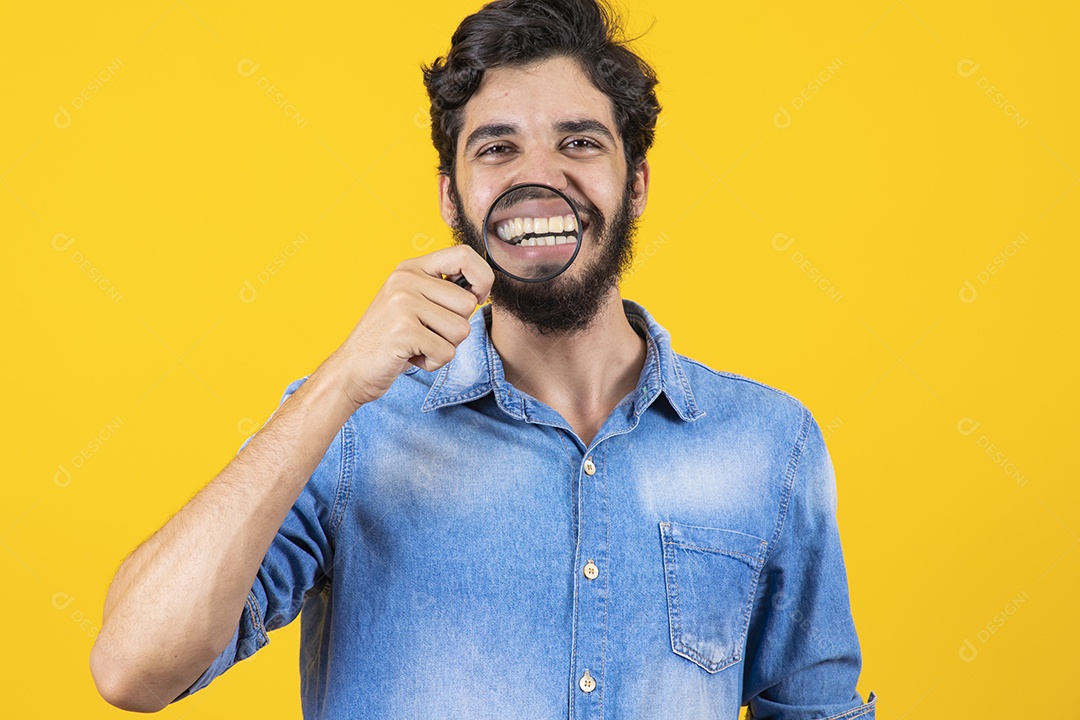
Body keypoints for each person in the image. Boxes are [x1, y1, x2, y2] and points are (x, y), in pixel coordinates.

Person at [90, 0, 875, 717]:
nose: (538, 175)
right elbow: (134, 669)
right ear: (450, 198)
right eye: (498, 147)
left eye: (578, 142)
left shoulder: (771, 444)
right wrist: (335, 384)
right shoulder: (355, 429)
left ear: (633, 184)